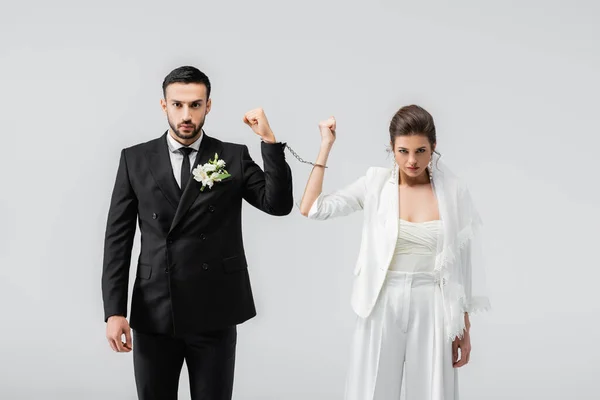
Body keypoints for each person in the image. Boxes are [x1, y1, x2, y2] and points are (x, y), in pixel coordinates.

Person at [101, 65, 293, 400]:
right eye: (177, 104)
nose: (186, 114)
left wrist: (268, 140)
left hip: (215, 309)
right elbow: (118, 240)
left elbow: (277, 204)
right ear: (164, 106)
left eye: (195, 104)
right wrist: (115, 311)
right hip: (155, 309)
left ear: (208, 106)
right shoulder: (135, 159)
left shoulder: (232, 156)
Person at [299, 105, 490, 400]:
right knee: (372, 390)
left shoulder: (453, 192)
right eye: (402, 151)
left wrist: (463, 328)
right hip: (381, 299)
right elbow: (312, 208)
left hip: (433, 303)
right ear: (391, 148)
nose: (412, 161)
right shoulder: (375, 184)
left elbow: (461, 264)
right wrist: (326, 145)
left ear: (434, 147)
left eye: (420, 151)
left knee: (432, 392)